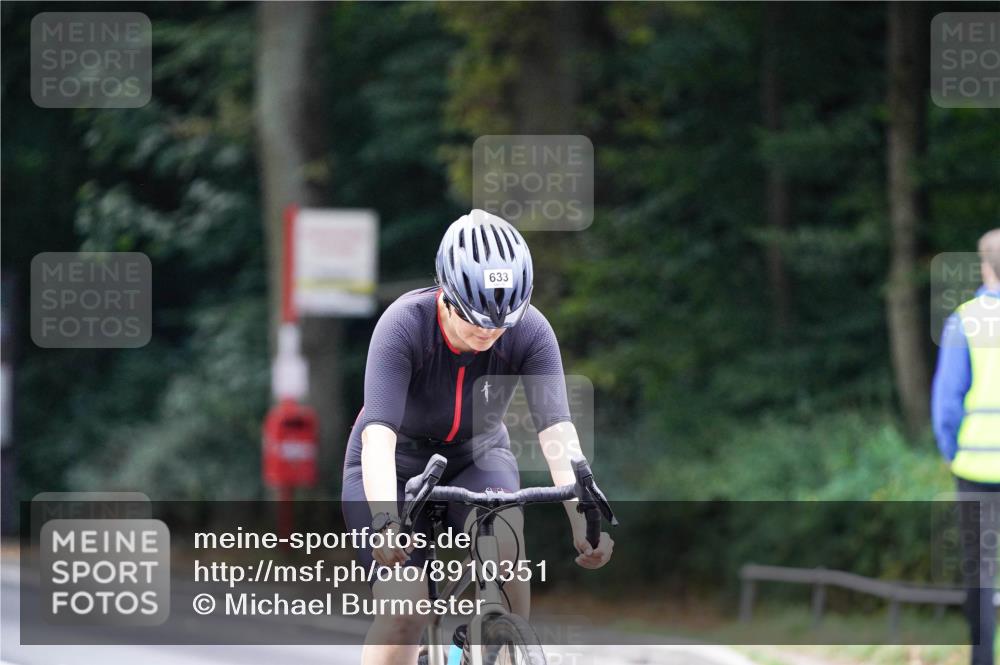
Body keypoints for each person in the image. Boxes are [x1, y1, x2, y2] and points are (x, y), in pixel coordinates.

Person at [341, 209, 614, 665]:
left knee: (507, 556)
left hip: (478, 457)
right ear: (446, 296)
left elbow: (557, 430)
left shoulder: (531, 330)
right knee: (405, 612)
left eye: (502, 322)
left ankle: (485, 646)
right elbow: (378, 439)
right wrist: (386, 520)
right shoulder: (403, 325)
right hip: (394, 466)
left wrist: (582, 516)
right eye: (477, 320)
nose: (490, 331)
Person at [932, 228, 1000, 665]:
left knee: (981, 573)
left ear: (984, 266)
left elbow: (946, 403)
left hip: (976, 470)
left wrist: (951, 452)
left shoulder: (966, 319)